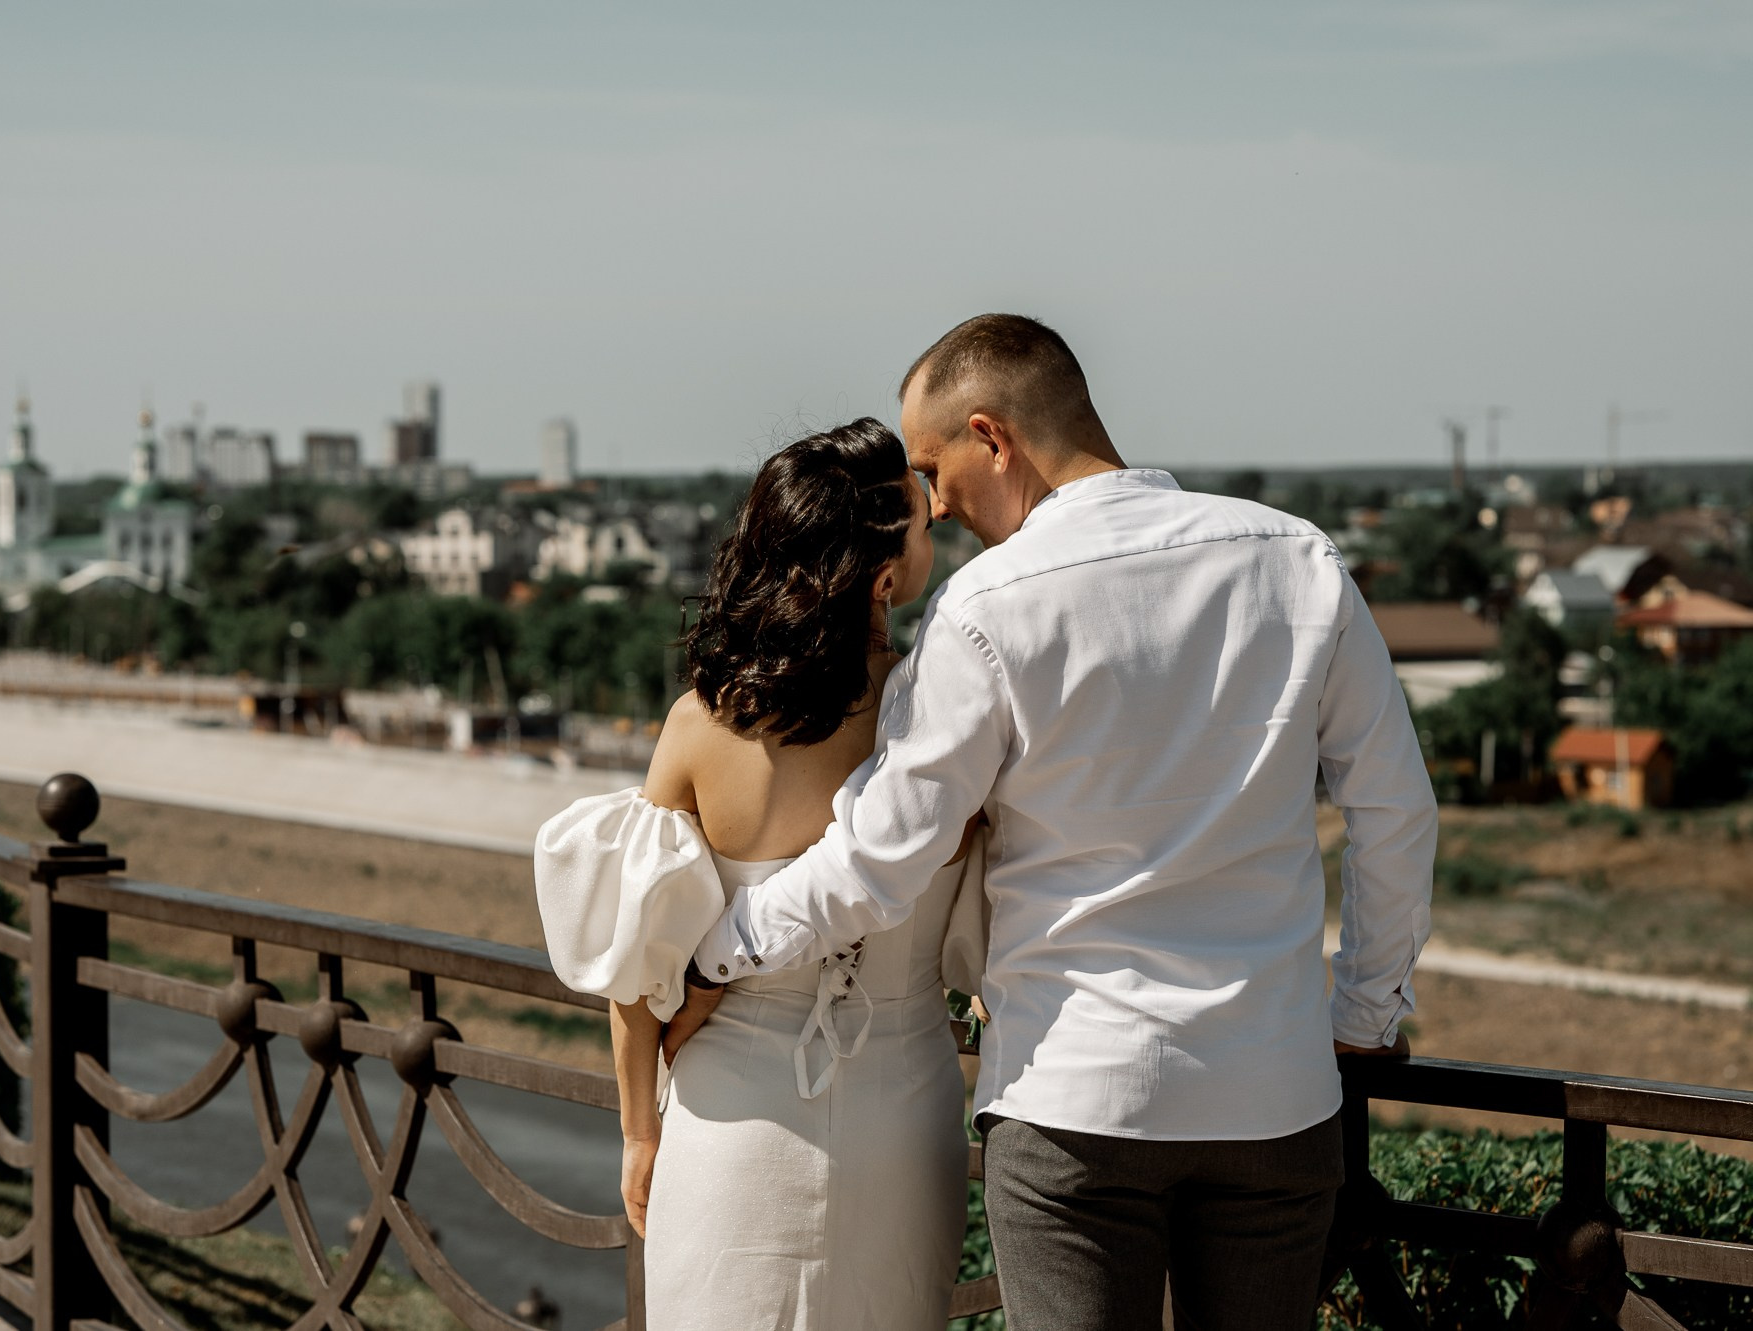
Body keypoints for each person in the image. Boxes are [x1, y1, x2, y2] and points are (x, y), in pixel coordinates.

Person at [687, 314, 1437, 1330]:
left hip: (1074, 1102)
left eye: (932, 465)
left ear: (991, 436)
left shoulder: (986, 608)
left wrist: (712, 950)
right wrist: (1360, 1011)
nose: (935, 505)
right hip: (1273, 1091)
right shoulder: (1294, 559)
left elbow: (876, 860)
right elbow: (1393, 809)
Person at [534, 419, 988, 1330]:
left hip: (729, 1115)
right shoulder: (943, 728)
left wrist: (637, 1129)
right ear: (885, 575)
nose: (936, 528)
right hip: (904, 1120)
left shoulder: (703, 725)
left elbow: (640, 969)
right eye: (922, 526)